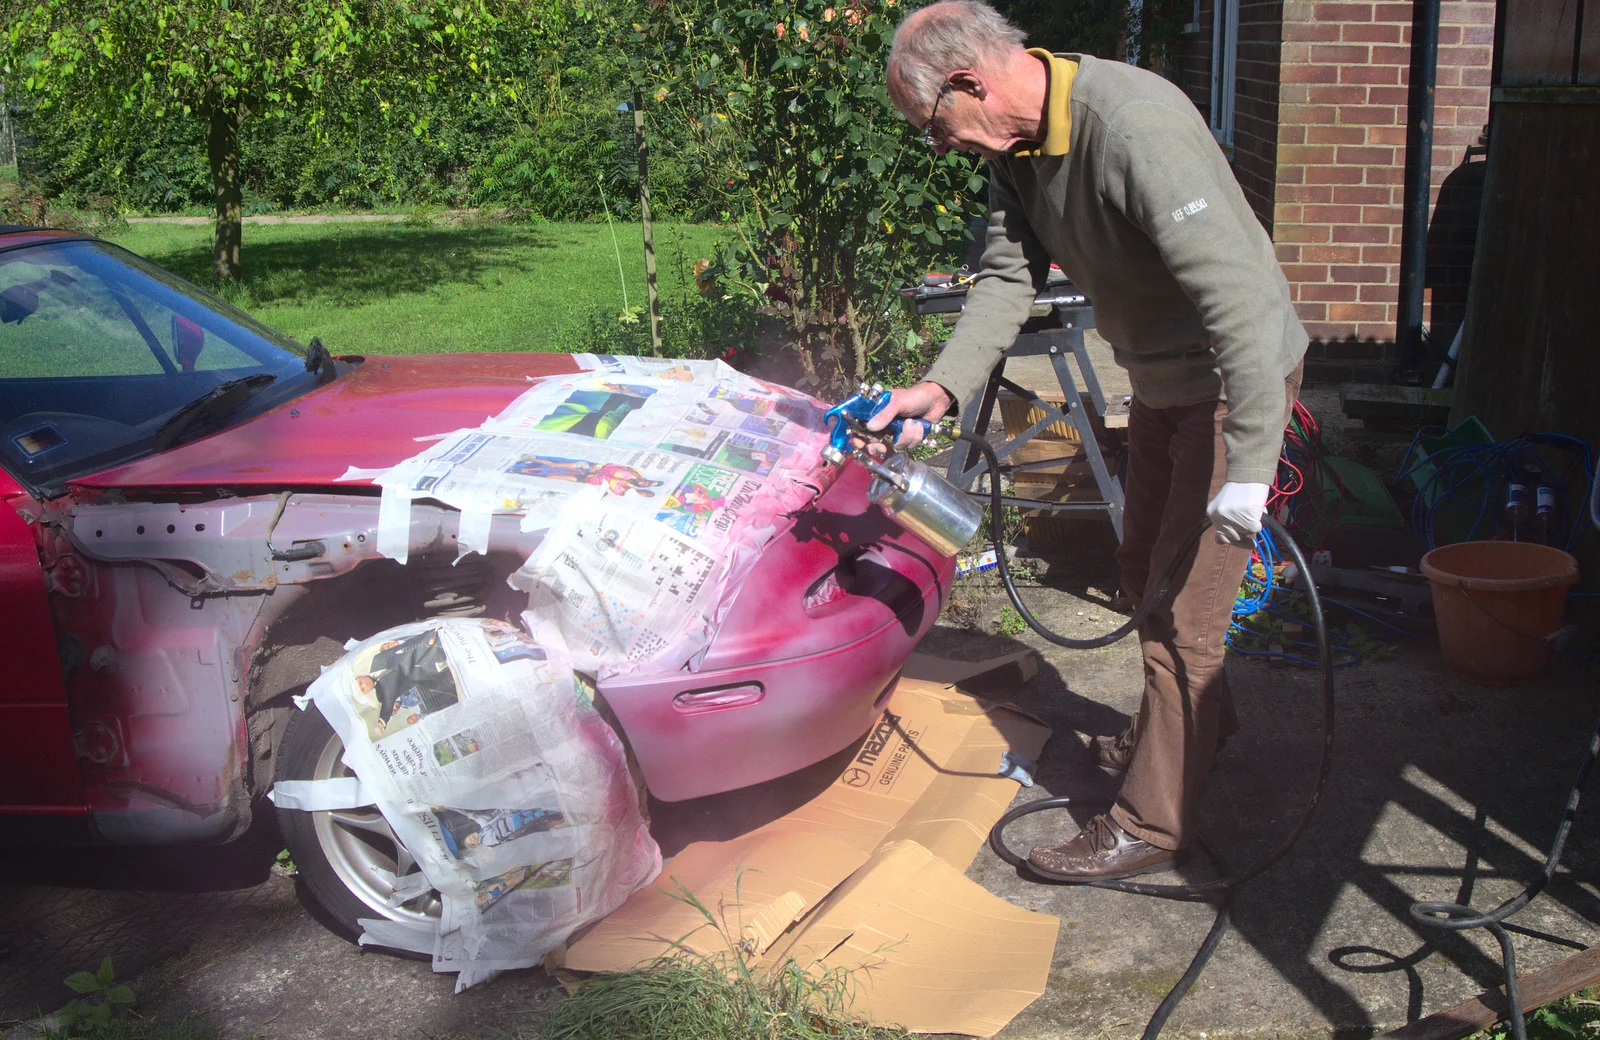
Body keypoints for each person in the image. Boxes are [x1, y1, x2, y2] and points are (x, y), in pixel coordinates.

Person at [872, 1, 1307, 882]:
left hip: (1232, 383)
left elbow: (1244, 304)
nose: (940, 143)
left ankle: (1151, 825)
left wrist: (1251, 469)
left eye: (934, 125)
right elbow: (1005, 277)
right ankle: (1192, 730)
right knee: (1142, 568)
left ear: (971, 83)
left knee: (1185, 618)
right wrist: (941, 386)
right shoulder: (1020, 153)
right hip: (1160, 380)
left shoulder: (1132, 124)